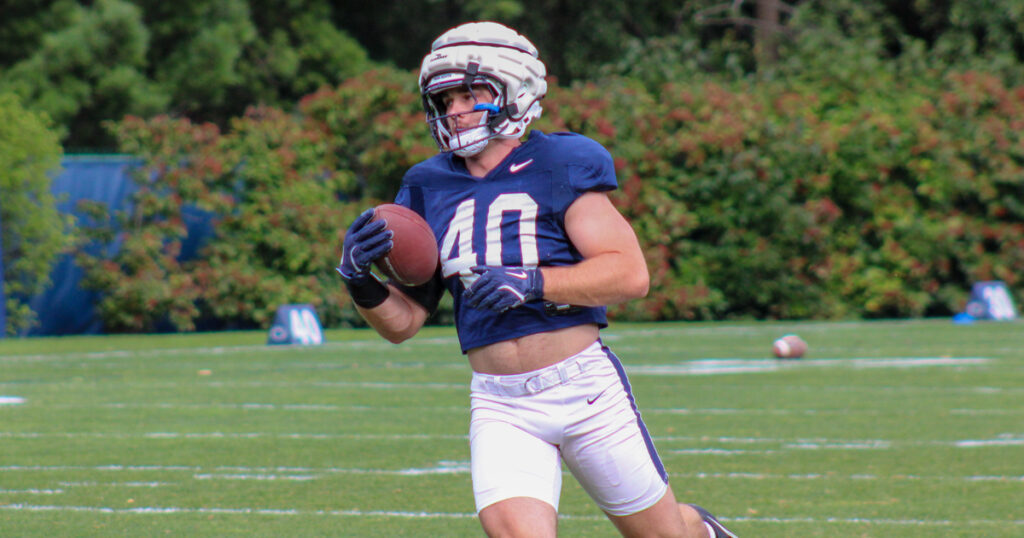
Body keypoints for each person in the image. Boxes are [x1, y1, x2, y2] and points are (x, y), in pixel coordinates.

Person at [336, 21, 737, 538]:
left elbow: (630, 274)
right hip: (500, 400)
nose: (455, 109)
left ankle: (701, 531)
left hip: (583, 390)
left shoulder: (561, 162)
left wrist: (534, 283)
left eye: (469, 92)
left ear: (514, 90)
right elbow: (404, 323)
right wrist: (359, 281)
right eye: (445, 97)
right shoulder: (425, 184)